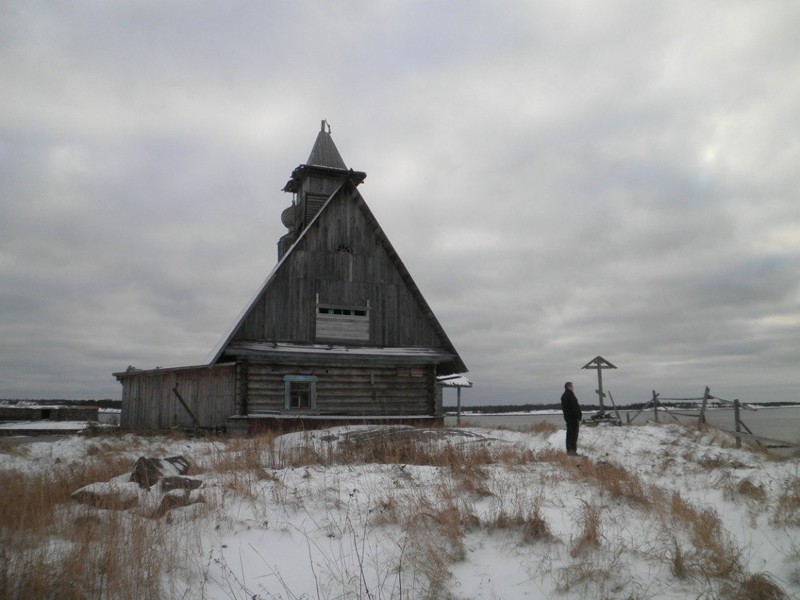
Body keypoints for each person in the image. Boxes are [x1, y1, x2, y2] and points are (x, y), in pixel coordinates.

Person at [560, 381, 582, 455]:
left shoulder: (564, 395)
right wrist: (578, 416)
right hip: (572, 418)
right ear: (569, 387)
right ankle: (572, 451)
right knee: (573, 434)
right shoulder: (570, 395)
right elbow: (574, 407)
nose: (573, 387)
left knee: (569, 434)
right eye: (572, 386)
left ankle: (569, 450)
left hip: (568, 417)